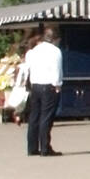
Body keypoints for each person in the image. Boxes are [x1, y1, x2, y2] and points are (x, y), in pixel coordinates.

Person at [24, 27, 63, 157]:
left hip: (35, 86)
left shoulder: (33, 51)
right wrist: (57, 85)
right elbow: (57, 70)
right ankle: (45, 148)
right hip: (49, 86)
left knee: (34, 116)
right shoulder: (55, 51)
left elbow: (28, 68)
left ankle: (32, 147)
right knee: (46, 117)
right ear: (54, 39)